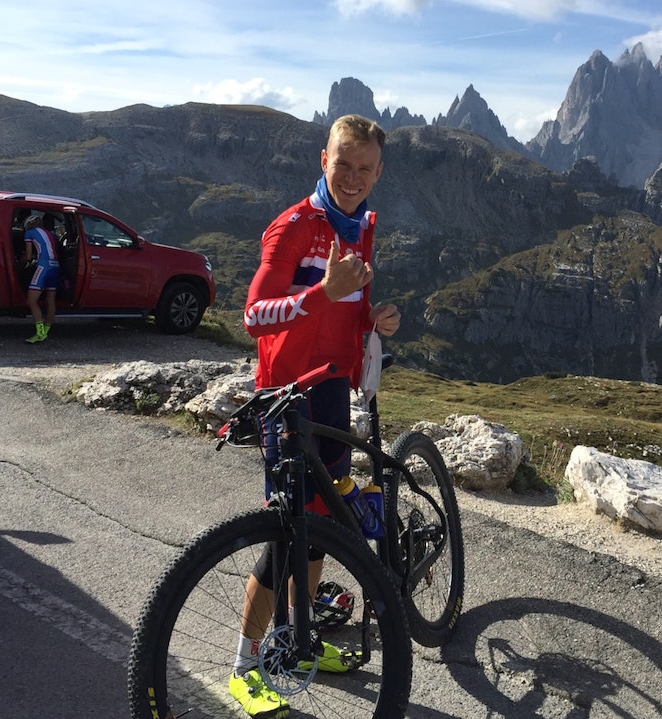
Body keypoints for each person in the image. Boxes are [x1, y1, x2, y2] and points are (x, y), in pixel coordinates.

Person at [229, 114, 400, 717]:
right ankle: (246, 662)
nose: (352, 177)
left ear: (378, 173)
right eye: (342, 164)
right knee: (285, 531)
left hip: (332, 393)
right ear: (322, 160)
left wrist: (371, 320)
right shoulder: (293, 228)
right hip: (287, 397)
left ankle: (297, 638)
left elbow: (345, 308)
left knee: (322, 516)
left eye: (364, 168)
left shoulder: (359, 227)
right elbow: (253, 316)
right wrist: (317, 295)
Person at [23, 213, 60, 343]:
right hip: (55, 267)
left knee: (31, 301)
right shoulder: (52, 234)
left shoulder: (29, 233)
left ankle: (40, 333)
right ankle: (46, 330)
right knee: (51, 300)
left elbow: (28, 257)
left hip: (43, 267)